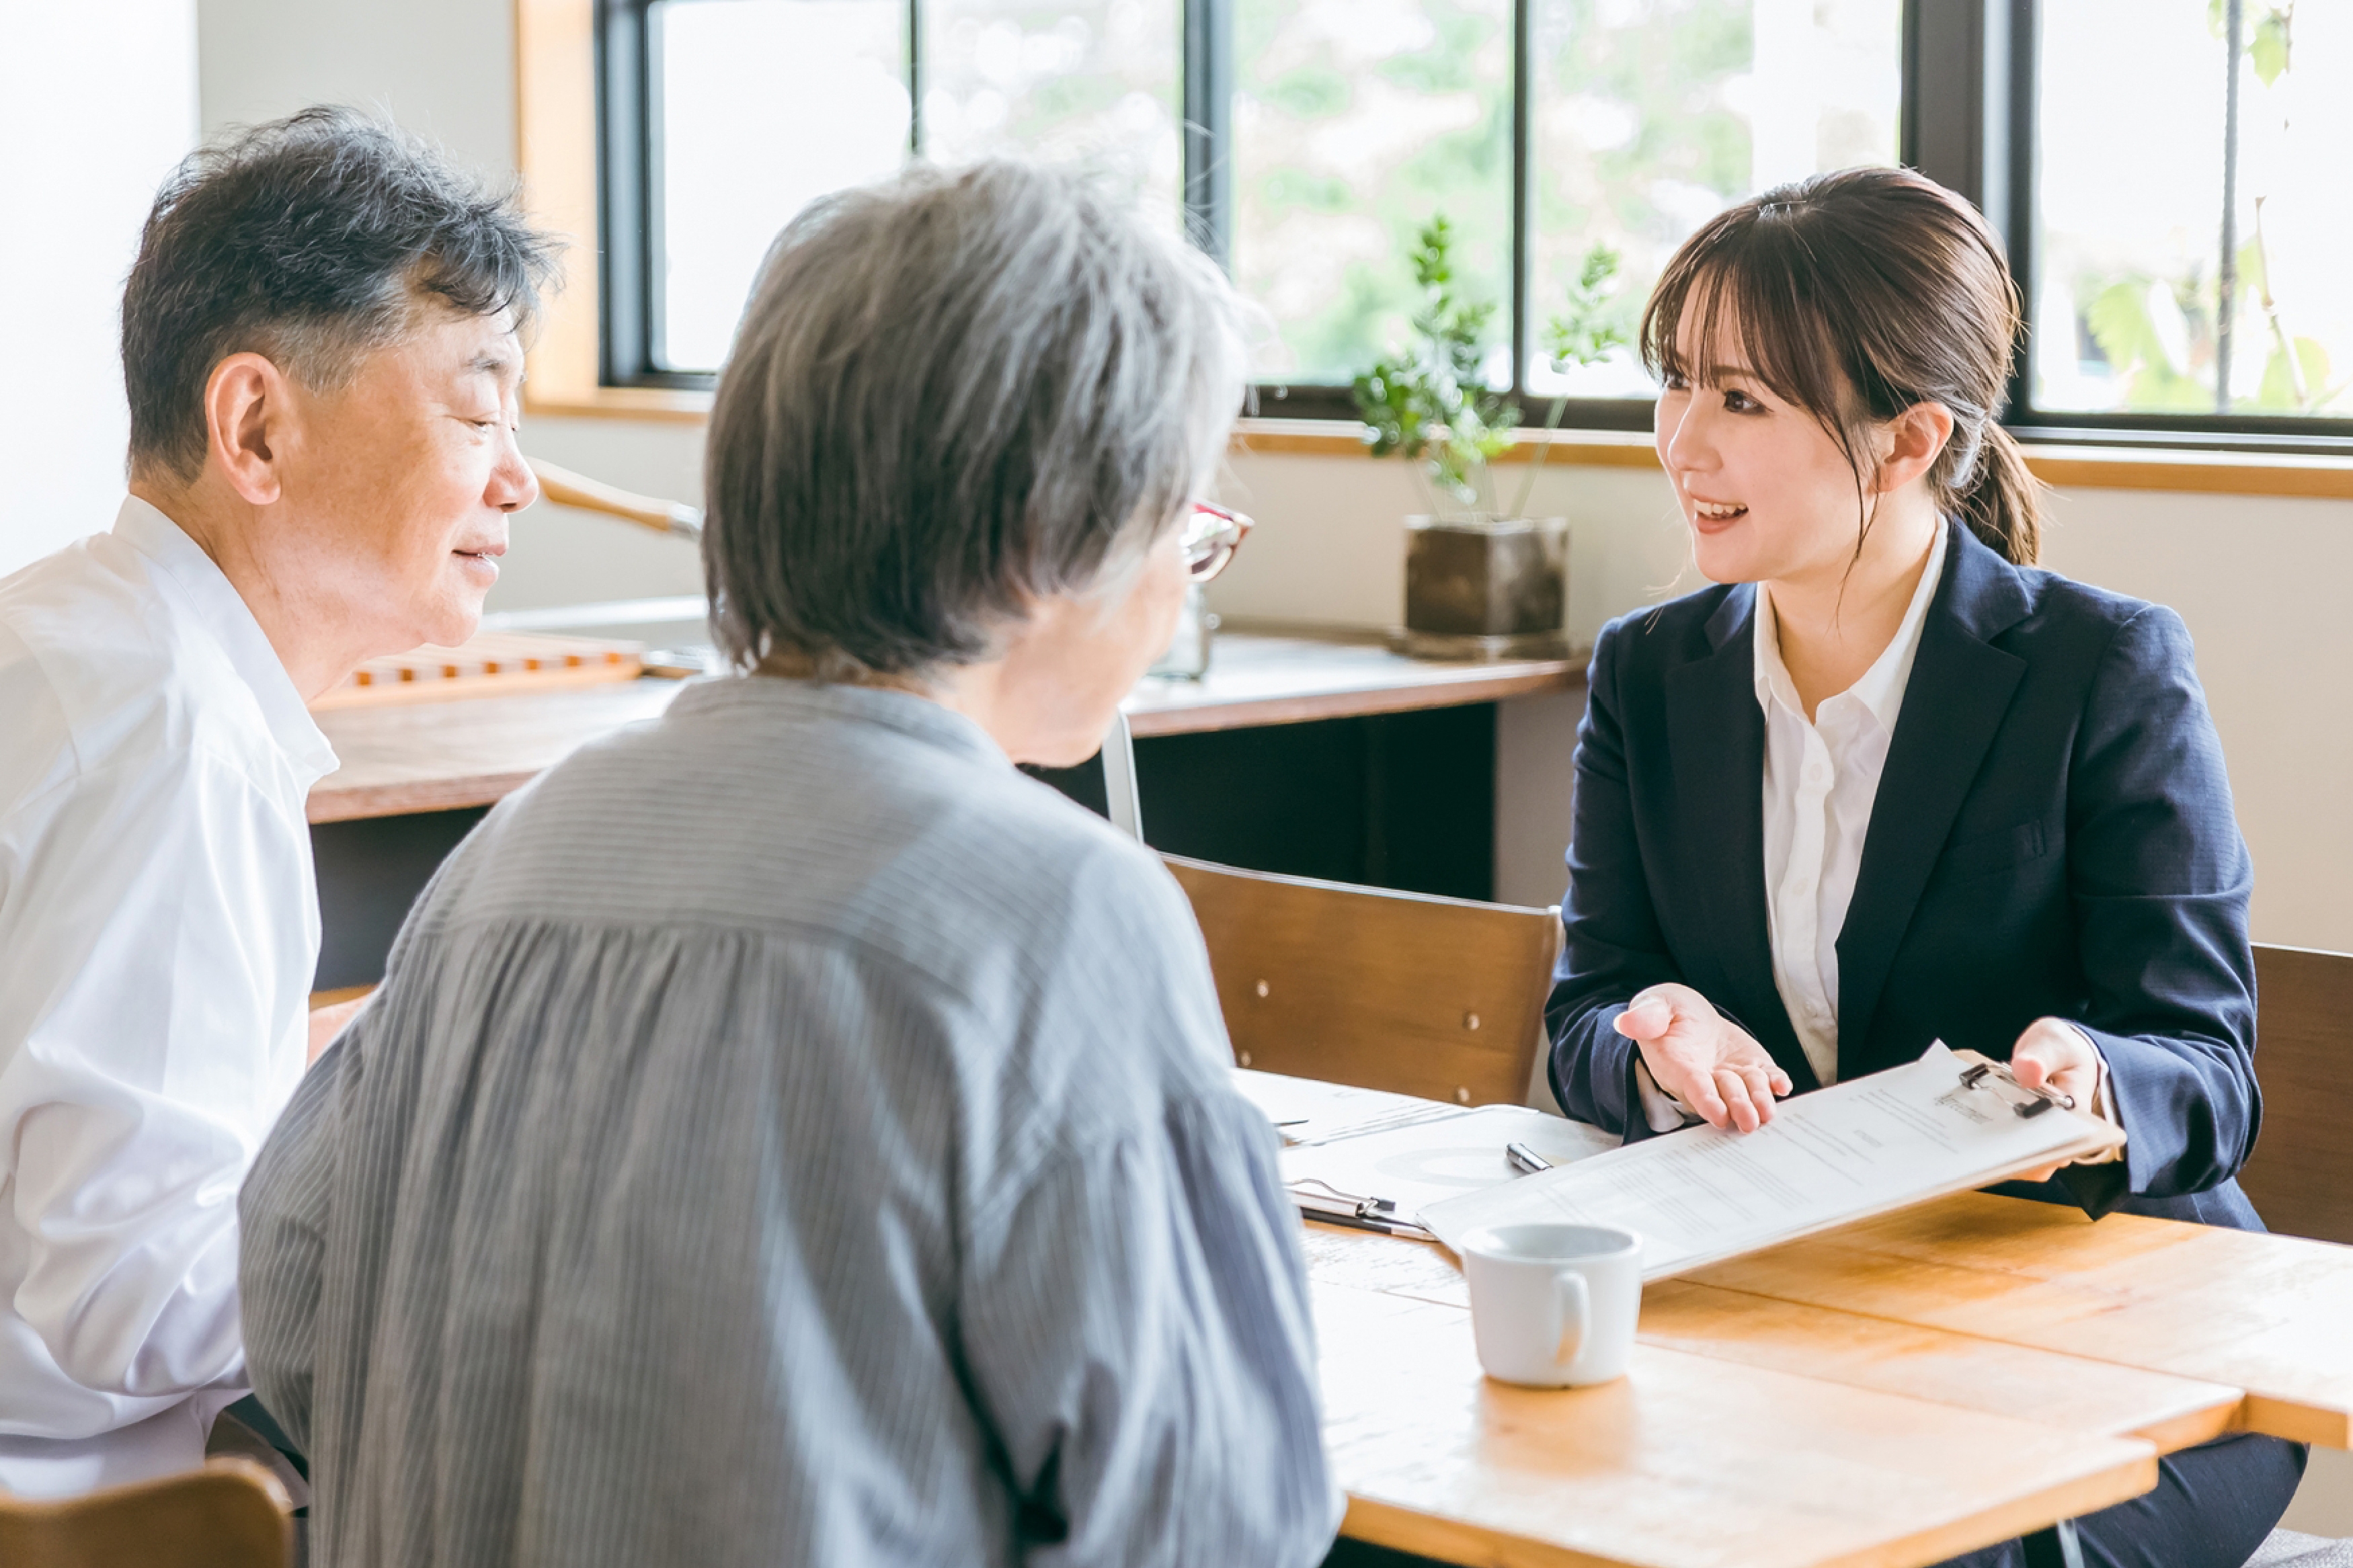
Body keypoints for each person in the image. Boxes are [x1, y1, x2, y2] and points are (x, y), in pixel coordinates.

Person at [237, 159, 1340, 1568]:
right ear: (1049, 538)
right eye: (1180, 522)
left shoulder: (509, 858)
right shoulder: (1058, 915)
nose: (1184, 574)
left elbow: (295, 1304)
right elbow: (1218, 1520)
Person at [1545, 167, 2303, 1568]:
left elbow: (2207, 1068)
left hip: (2117, 1338)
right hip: (1802, 1323)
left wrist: (2090, 1074)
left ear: (1907, 442)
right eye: (1675, 382)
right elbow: (1587, 1009)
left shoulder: (2101, 667)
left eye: (1741, 400)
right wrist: (1656, 1043)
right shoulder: (1649, 674)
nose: (1680, 442)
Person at [0, 108, 553, 1497]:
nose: (520, 478)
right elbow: (131, 1294)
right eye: (476, 411)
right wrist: (487, 1222)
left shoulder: (71, 633)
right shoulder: (174, 738)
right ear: (254, 427)